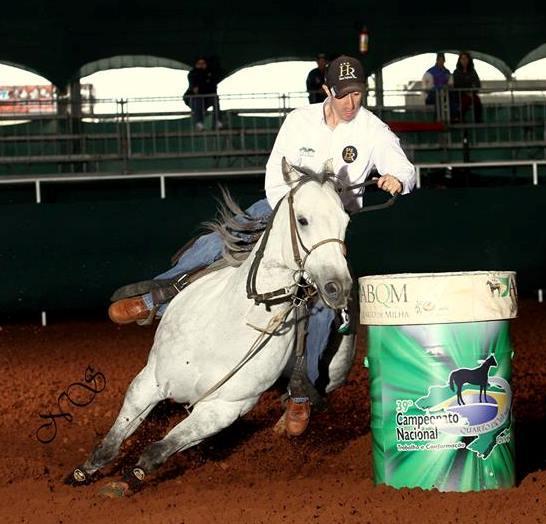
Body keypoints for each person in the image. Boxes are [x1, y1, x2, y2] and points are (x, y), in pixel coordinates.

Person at [110, 55, 415, 436]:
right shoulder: (298, 121)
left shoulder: (373, 130)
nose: (351, 103)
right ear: (327, 91)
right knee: (216, 241)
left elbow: (404, 166)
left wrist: (397, 179)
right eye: (343, 95)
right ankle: (154, 298)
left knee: (323, 301)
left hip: (323, 231)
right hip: (279, 208)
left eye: (358, 94)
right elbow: (275, 173)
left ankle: (301, 392)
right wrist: (287, 211)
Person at [183, 57, 222, 131]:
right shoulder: (192, 74)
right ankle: (199, 123)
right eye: (199, 64)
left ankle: (217, 122)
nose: (201, 65)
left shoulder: (211, 74)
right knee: (198, 98)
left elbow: (213, 88)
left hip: (206, 98)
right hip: (194, 99)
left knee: (215, 98)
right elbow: (195, 90)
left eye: (203, 63)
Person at [452, 51, 483, 123]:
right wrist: (466, 91)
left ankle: (477, 120)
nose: (464, 61)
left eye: (465, 59)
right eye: (462, 59)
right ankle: (460, 118)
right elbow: (457, 84)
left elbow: (477, 84)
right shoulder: (456, 72)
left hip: (472, 94)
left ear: (469, 60)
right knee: (465, 101)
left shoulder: (472, 71)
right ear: (459, 60)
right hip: (460, 94)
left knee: (477, 101)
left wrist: (472, 91)